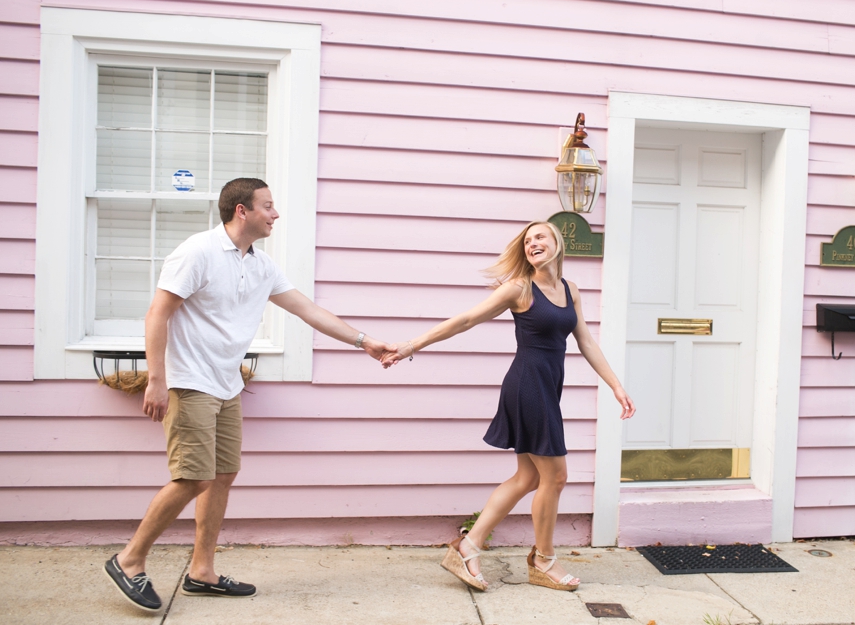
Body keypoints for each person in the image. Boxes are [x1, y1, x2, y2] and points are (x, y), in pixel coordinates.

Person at [104, 178, 393, 612]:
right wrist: (157, 380)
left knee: (221, 476)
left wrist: (362, 340)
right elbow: (157, 314)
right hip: (190, 381)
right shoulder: (197, 252)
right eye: (268, 206)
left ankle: (202, 571)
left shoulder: (260, 265)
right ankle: (129, 559)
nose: (275, 214)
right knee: (193, 476)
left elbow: (306, 309)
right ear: (242, 210)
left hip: (226, 384)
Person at [382, 220, 635, 591]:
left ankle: (467, 546)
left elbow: (586, 342)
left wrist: (615, 385)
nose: (533, 243)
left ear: (557, 244)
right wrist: (408, 347)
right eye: (528, 240)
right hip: (528, 386)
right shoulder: (520, 288)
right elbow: (467, 319)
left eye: (540, 237)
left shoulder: (571, 290)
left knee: (529, 477)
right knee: (556, 476)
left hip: (547, 388)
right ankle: (544, 561)